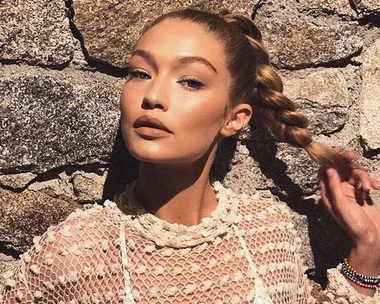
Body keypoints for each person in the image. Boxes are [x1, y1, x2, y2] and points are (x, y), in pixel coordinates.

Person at [1, 8, 380, 304]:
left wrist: (368, 251)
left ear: (235, 118)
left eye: (191, 81)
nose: (152, 96)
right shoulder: (75, 252)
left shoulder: (268, 233)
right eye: (140, 73)